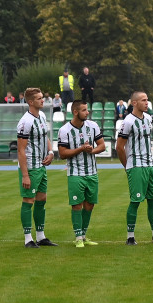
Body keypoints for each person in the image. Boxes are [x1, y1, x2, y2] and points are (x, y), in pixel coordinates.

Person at [116, 91, 153, 244]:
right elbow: (119, 147)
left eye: (147, 100)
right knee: (135, 201)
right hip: (136, 166)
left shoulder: (148, 118)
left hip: (151, 165)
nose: (147, 102)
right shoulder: (128, 121)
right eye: (143, 100)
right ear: (134, 103)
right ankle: (130, 237)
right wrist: (128, 166)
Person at [57, 99, 105, 247]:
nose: (87, 112)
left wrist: (92, 150)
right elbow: (62, 153)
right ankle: (78, 238)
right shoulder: (64, 130)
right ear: (75, 112)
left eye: (87, 109)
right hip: (75, 172)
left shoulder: (93, 126)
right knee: (77, 204)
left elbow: (102, 146)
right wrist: (81, 149)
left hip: (92, 172)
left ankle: (83, 235)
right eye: (84, 110)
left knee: (90, 204)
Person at [16, 87, 57, 247]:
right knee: (28, 200)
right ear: (31, 102)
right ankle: (28, 239)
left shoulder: (42, 116)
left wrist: (51, 152)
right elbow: (21, 149)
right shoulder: (25, 122)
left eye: (42, 97)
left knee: (42, 199)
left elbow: (44, 136)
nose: (43, 100)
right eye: (39, 98)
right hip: (30, 167)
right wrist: (25, 175)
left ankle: (41, 236)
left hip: (41, 166)